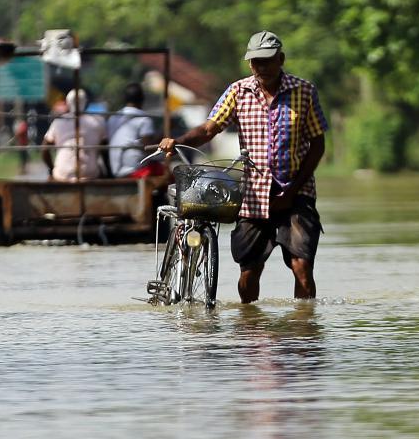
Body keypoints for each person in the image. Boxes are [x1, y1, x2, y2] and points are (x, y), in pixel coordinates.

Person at [158, 31, 328, 303]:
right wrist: (178, 140)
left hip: (297, 193)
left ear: (280, 59)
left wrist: (293, 190)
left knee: (302, 267)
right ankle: (249, 326)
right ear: (250, 64)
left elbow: (318, 144)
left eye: (267, 61)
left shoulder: (303, 91)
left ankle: (303, 332)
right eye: (256, 62)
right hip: (254, 197)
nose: (261, 68)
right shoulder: (239, 91)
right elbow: (209, 128)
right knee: (250, 271)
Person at [42, 88, 107, 181]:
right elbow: (105, 150)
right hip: (91, 174)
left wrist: (51, 169)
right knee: (101, 171)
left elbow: (45, 149)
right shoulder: (98, 122)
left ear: (68, 103)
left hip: (62, 175)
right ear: (86, 103)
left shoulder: (58, 122)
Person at [107, 83, 161, 179]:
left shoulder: (113, 117)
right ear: (142, 99)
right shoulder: (144, 119)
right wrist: (164, 132)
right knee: (164, 171)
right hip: (134, 170)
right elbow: (149, 148)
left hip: (115, 171)